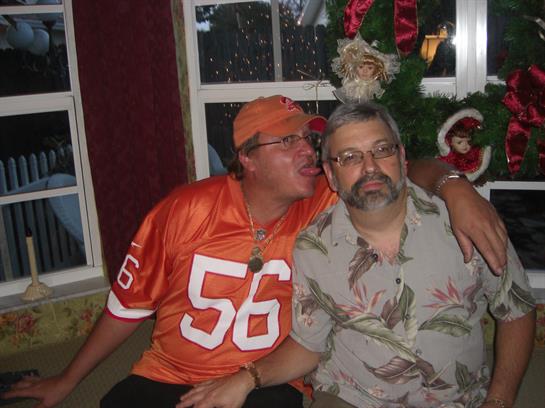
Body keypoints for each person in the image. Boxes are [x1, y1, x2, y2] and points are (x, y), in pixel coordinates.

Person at [2, 96, 508, 408]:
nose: (308, 150)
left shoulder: (329, 197)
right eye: (287, 141)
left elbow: (401, 167)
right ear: (246, 158)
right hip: (169, 372)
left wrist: (456, 188)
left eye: (308, 139)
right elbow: (127, 306)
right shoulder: (183, 210)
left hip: (268, 382)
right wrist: (68, 379)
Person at [177, 102, 535, 408]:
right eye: (350, 157)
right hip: (352, 398)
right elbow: (308, 344)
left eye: (381, 150)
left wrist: (499, 401)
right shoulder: (313, 247)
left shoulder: (465, 221)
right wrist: (246, 379)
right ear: (331, 175)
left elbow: (516, 310)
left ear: (401, 157)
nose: (370, 167)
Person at [437, 108, 492, 182]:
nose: (465, 145)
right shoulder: (448, 156)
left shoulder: (476, 155)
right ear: (450, 142)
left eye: (469, 141)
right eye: (459, 142)